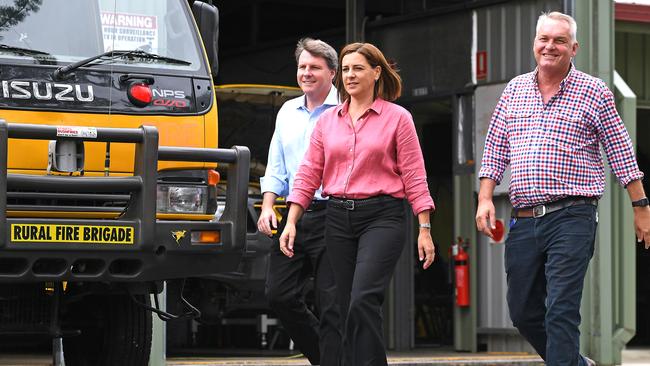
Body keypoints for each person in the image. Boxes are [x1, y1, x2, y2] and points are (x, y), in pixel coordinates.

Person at [476, 11, 650, 366]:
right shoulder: (515, 90)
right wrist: (484, 198)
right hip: (523, 218)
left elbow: (620, 151)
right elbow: (495, 147)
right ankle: (574, 362)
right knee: (522, 311)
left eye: (559, 41)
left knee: (561, 309)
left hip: (573, 215)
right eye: (544, 39)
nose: (549, 46)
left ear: (574, 48)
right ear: (534, 44)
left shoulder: (594, 91)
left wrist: (641, 205)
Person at [280, 42, 436, 366]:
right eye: (347, 69)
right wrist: (292, 220)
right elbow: (309, 173)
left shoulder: (398, 118)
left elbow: (415, 176)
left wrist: (424, 228)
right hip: (337, 218)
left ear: (376, 73)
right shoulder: (327, 122)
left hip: (382, 217)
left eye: (358, 68)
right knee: (340, 307)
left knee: (363, 299)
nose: (350, 75)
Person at [258, 37, 341, 366]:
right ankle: (329, 357)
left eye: (315, 67)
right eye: (302, 66)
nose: (306, 73)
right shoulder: (287, 112)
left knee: (331, 302)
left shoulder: (344, 111)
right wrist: (267, 206)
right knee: (279, 295)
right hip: (294, 215)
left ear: (332, 73)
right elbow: (276, 165)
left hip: (334, 214)